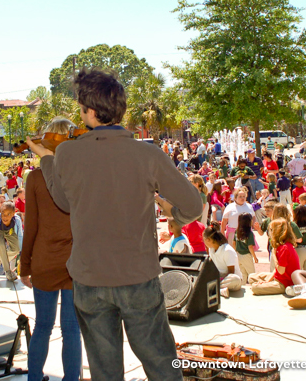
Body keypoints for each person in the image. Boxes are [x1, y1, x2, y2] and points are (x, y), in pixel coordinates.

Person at [26, 69, 202, 381]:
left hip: (90, 279)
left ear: (90, 111)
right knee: (163, 364)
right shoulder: (147, 153)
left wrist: (48, 160)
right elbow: (194, 206)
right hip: (138, 276)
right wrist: (173, 216)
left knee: (105, 372)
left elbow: (64, 204)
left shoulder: (66, 152)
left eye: (81, 108)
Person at [19, 117, 82, 381]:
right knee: (71, 330)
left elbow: (30, 226)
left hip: (45, 260)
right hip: (74, 262)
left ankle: (34, 378)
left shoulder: (34, 178)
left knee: (42, 326)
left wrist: (25, 265)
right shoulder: (79, 175)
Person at [248, 218, 301, 295]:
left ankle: (267, 286)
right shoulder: (281, 246)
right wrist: (266, 282)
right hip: (278, 278)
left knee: (255, 288)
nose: (269, 233)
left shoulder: (285, 248)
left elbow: (280, 270)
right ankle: (267, 285)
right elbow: (276, 270)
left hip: (284, 283)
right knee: (251, 277)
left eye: (271, 230)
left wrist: (274, 256)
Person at [203, 222, 242, 297]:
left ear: (208, 240)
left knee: (235, 279)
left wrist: (218, 280)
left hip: (230, 279)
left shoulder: (227, 250)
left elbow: (231, 272)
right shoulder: (211, 250)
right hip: (219, 278)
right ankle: (219, 289)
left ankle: (215, 288)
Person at [0, 201, 23, 282]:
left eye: (9, 214)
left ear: (14, 213)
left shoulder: (17, 220)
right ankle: (7, 271)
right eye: (3, 213)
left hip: (10, 231)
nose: (5, 217)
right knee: (2, 246)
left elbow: (20, 236)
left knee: (16, 249)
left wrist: (21, 251)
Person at [234, 212, 257, 281]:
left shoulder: (237, 231)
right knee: (251, 273)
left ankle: (242, 286)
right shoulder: (249, 233)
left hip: (238, 254)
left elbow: (233, 243)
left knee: (242, 273)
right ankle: (254, 286)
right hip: (246, 255)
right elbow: (250, 247)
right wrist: (255, 257)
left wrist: (236, 252)